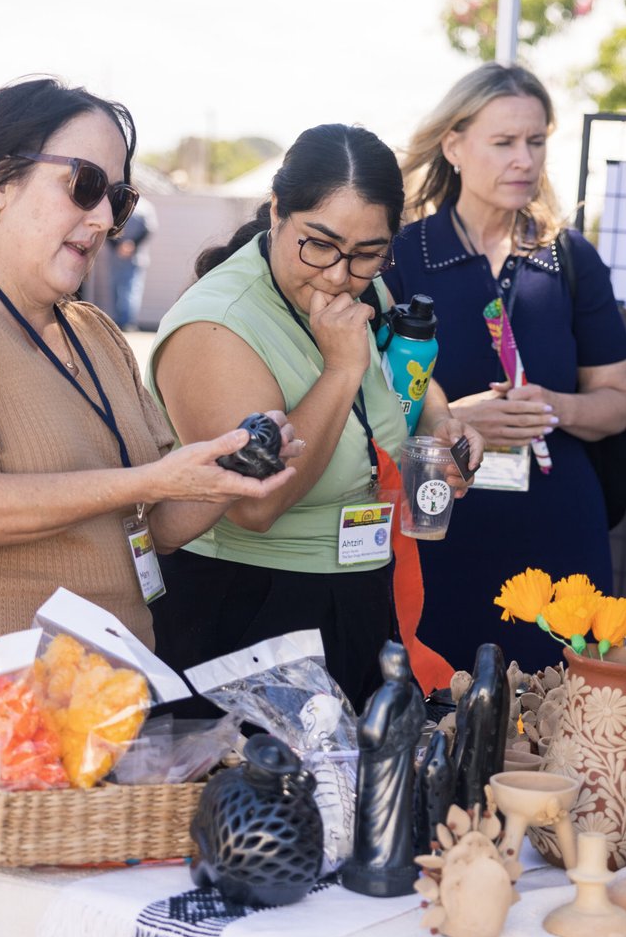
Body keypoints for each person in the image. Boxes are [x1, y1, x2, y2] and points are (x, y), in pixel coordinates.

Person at [0, 77, 298, 937]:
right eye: (84, 185)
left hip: (98, 727)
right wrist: (145, 478)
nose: (104, 217)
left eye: (118, 196)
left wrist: (231, 477)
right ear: (1, 182)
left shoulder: (93, 332)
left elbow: (144, 532)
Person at [148, 123, 483, 707]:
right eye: (319, 244)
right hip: (252, 613)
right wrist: (338, 371)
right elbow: (257, 505)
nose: (337, 275)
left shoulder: (359, 292)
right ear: (277, 210)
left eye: (366, 255)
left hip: (357, 591)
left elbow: (402, 371)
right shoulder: (216, 326)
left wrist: (440, 422)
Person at [385, 63, 626, 673]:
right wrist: (459, 417)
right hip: (441, 524)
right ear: (454, 145)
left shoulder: (569, 257)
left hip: (557, 527)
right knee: (437, 703)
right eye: (503, 143)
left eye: (536, 141)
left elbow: (617, 399)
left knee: (564, 705)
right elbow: (372, 394)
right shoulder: (401, 256)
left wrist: (550, 407)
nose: (524, 159)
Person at [105, 197, 155, 329]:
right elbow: (149, 229)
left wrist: (120, 246)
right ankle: (124, 322)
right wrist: (130, 245)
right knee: (126, 288)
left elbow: (107, 229)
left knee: (127, 288)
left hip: (130, 256)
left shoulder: (118, 204)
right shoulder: (145, 206)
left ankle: (124, 321)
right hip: (126, 255)